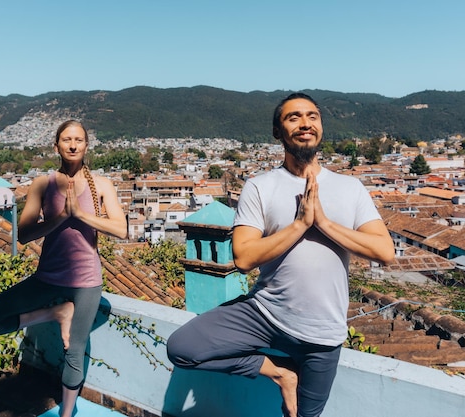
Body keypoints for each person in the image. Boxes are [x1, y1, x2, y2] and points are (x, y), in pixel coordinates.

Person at [167, 93, 394, 417]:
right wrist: (300, 224)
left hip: (323, 332)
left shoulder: (350, 187)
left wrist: (324, 223)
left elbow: (385, 251)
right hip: (264, 315)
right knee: (182, 348)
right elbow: (244, 257)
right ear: (278, 132)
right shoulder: (261, 187)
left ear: (321, 127)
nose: (305, 123)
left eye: (312, 116)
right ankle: (280, 372)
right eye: (294, 117)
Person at [0, 120, 127, 417]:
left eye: (79, 139)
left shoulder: (102, 185)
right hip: (47, 278)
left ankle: (66, 413)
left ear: (86, 145)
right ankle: (53, 312)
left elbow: (121, 230)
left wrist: (79, 213)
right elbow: (24, 233)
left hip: (87, 282)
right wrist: (62, 217)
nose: (72, 144)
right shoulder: (43, 184)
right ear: (56, 145)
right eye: (66, 139)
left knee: (74, 351)